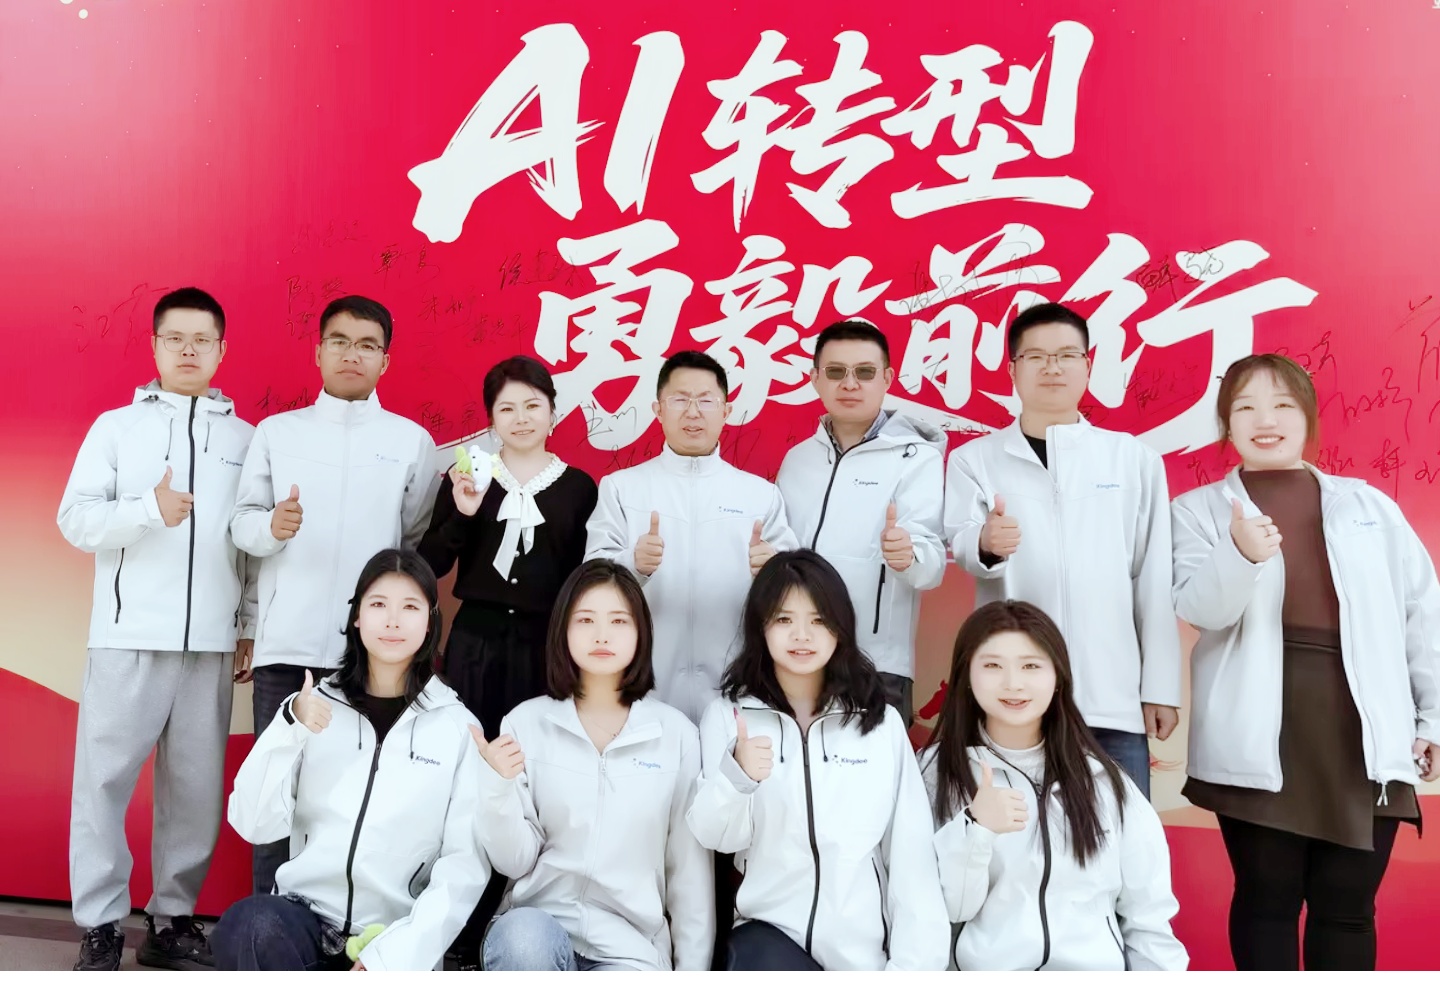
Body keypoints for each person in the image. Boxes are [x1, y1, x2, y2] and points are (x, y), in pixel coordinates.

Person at [1171, 353, 1439, 970]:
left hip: (1363, 721)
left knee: (1349, 906)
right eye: (1246, 408)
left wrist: (1433, 719)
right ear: (1226, 424)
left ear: (1308, 417)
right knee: (1267, 899)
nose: (1265, 420)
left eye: (1283, 405)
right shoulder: (1198, 510)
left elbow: (1423, 614)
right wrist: (1240, 554)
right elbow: (1201, 610)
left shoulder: (1368, 505)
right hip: (1260, 723)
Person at [58, 287, 255, 971]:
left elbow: (248, 544)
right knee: (103, 783)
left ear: (222, 349)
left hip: (210, 644)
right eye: (176, 338)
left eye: (203, 339)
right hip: (127, 636)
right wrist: (147, 508)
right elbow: (75, 518)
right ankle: (101, 923)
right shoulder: (116, 428)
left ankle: (171, 920)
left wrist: (247, 623)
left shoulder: (245, 439)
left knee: (195, 792)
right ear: (155, 346)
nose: (189, 350)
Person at [230, 295, 440, 894]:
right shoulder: (278, 433)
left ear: (385, 361)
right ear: (318, 351)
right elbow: (242, 525)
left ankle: (344, 929)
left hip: (376, 655)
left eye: (368, 345)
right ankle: (268, 923)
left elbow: (413, 540)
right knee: (275, 794)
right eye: (340, 342)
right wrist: (272, 528)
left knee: (359, 800)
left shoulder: (410, 441)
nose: (353, 354)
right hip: (287, 648)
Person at [943, 302, 1182, 796]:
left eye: (1067, 355)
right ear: (1013, 370)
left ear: (1087, 366)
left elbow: (1153, 579)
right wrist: (985, 543)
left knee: (1120, 834)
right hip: (1013, 698)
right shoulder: (975, 461)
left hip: (1112, 698)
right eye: (1035, 356)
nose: (1052, 368)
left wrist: (1159, 686)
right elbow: (962, 545)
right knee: (1014, 833)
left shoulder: (1132, 460)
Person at [212, 549, 489, 971]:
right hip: (306, 923)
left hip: (393, 938)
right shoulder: (311, 707)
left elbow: (463, 868)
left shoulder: (457, 728)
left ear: (431, 621)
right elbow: (252, 822)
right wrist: (290, 728)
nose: (392, 620)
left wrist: (395, 955)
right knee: (248, 926)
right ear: (357, 616)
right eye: (378, 604)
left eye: (410, 607)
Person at [686, 550, 948, 971]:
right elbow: (716, 835)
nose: (802, 635)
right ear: (760, 627)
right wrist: (737, 776)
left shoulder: (879, 724)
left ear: (840, 627)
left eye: (818, 620)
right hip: (769, 946)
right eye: (784, 619)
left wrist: (910, 971)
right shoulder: (730, 717)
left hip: (863, 958)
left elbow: (912, 861)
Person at [475, 559, 714, 971]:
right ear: (562, 629)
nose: (602, 634)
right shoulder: (525, 723)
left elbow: (689, 874)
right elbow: (513, 862)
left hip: (631, 949)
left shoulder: (676, 735)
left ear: (641, 632)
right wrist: (497, 787)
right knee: (523, 941)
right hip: (536, 929)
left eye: (619, 621)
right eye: (585, 620)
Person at [921, 600, 1187, 971]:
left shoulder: (1104, 781)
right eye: (993, 665)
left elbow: (1149, 917)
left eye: (1031, 666)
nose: (1013, 683)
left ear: (1058, 676)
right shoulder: (936, 771)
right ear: (966, 674)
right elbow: (944, 910)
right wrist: (975, 829)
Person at [584, 350, 797, 724]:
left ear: (726, 411)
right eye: (680, 400)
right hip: (646, 680)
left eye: (706, 401)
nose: (693, 412)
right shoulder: (621, 488)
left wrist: (773, 570)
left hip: (737, 682)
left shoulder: (761, 495)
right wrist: (632, 564)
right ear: (658, 409)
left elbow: (797, 590)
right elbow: (590, 579)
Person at [776, 319, 946, 727]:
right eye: (836, 372)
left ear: (887, 378)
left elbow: (932, 567)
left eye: (865, 372)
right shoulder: (797, 460)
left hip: (876, 664)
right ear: (815, 379)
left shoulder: (917, 458)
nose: (849, 384)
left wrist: (908, 555)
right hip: (794, 655)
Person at [418, 356, 597, 738]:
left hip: (547, 644)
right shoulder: (466, 478)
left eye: (532, 406)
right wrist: (464, 513)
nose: (521, 418)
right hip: (474, 644)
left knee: (539, 750)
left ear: (552, 412)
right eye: (507, 409)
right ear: (491, 421)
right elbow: (429, 565)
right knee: (470, 745)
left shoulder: (579, 488)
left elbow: (585, 578)